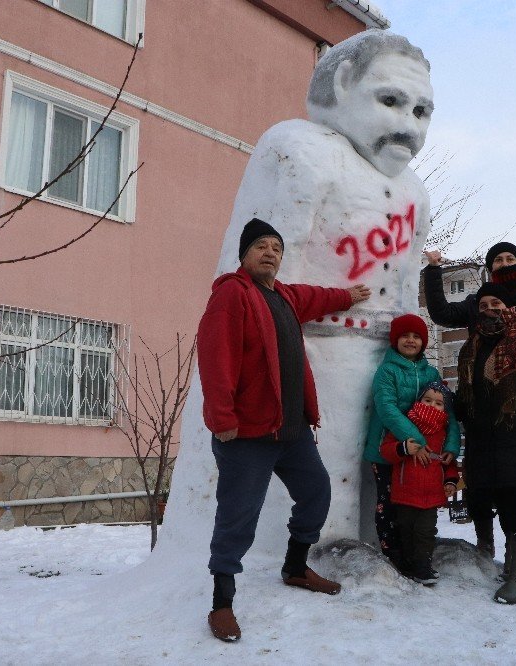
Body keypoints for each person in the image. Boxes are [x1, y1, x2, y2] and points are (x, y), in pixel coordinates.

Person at [191, 29, 435, 546]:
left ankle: (388, 546)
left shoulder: (415, 191)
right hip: (314, 353)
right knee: (327, 473)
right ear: (344, 83)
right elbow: (277, 274)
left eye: (420, 111)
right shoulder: (303, 150)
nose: (407, 125)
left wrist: (416, 360)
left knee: (383, 468)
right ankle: (306, 555)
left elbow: (407, 283)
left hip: (388, 356)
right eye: (390, 100)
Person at [197, 218, 371, 642]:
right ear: (244, 255)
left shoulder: (285, 297)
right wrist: (222, 422)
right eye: (260, 246)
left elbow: (316, 296)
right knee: (238, 516)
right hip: (246, 436)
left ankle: (295, 567)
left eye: (276, 247)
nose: (270, 252)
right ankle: (221, 601)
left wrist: (347, 295)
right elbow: (215, 359)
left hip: (290, 431)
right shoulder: (233, 296)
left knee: (316, 492)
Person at [423, 243, 516, 604]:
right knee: (501, 503)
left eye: (496, 305)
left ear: (508, 308)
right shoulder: (472, 345)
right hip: (484, 435)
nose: (489, 309)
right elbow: (470, 389)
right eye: (483, 306)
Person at [362, 314, 460, 568]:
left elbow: (447, 414)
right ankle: (393, 552)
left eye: (417, 336)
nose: (410, 340)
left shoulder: (431, 372)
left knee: (415, 504)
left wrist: (450, 445)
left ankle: (417, 551)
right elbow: (386, 407)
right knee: (389, 502)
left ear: (423, 342)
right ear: (395, 340)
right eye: (405, 335)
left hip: (424, 452)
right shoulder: (387, 371)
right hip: (388, 447)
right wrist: (414, 439)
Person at [378, 382, 460, 585]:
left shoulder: (444, 431)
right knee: (405, 530)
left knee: (425, 532)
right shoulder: (405, 425)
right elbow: (386, 451)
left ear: (445, 407)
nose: (432, 405)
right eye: (428, 400)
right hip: (405, 492)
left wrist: (450, 480)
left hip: (431, 495)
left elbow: (447, 462)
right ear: (419, 400)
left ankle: (423, 568)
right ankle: (408, 565)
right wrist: (403, 448)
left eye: (439, 403)